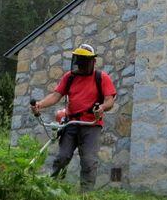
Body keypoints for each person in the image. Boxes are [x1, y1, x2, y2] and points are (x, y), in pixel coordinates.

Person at [30, 43, 116, 189]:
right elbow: (56, 96)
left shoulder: (101, 78)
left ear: (93, 61)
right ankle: (51, 187)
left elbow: (110, 100)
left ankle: (85, 195)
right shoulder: (69, 77)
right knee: (62, 157)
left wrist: (101, 107)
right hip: (71, 123)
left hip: (91, 125)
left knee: (88, 161)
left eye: (85, 60)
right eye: (79, 60)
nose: (81, 64)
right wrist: (40, 104)